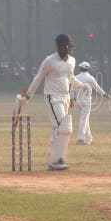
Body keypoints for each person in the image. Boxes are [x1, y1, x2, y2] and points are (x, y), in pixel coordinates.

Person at [22, 33, 83, 171]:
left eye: (69, 46)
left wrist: (79, 88)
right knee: (65, 127)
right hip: (52, 98)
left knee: (58, 129)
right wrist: (28, 95)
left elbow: (70, 78)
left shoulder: (72, 61)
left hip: (65, 98)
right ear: (59, 46)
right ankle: (56, 160)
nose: (68, 49)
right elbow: (38, 78)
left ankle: (55, 158)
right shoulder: (49, 61)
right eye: (65, 46)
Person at [74, 61, 109, 145]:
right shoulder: (90, 78)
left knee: (85, 119)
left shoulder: (76, 77)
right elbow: (97, 88)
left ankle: (88, 137)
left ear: (80, 68)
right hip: (86, 101)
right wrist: (104, 94)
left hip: (78, 100)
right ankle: (80, 139)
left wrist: (71, 99)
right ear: (88, 69)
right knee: (84, 119)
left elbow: (72, 89)